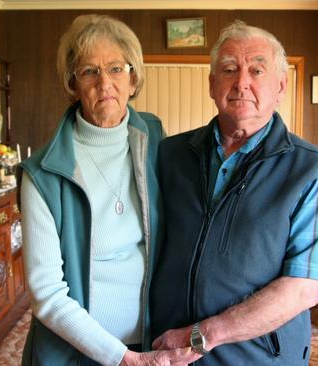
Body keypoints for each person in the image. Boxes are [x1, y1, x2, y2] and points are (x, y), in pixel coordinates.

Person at [150, 20, 318, 365]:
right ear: (212, 84)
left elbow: (303, 288)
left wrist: (200, 336)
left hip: (256, 358)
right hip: (168, 351)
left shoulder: (310, 172)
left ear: (281, 85)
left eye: (257, 70)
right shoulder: (170, 154)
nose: (242, 82)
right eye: (229, 69)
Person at [19, 14, 200, 366]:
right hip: (75, 352)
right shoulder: (42, 174)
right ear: (73, 84)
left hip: (150, 337)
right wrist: (122, 359)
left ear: (133, 79)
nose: (105, 83)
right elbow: (46, 295)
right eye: (89, 71)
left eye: (116, 68)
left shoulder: (155, 140)